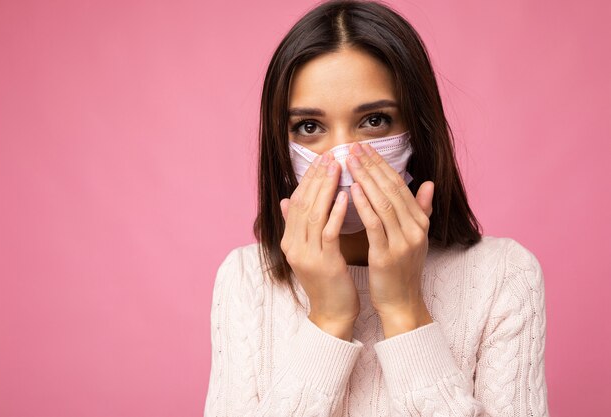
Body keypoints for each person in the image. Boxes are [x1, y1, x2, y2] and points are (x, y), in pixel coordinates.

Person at [203, 0, 549, 416]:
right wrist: (329, 320)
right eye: (310, 127)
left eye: (374, 121)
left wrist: (405, 312)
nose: (344, 155)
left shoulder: (504, 274)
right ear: (283, 144)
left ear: (417, 130)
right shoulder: (245, 280)